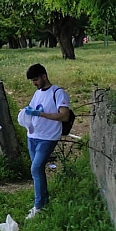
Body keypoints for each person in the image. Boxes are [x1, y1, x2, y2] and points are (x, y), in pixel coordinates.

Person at [23, 64, 71, 219]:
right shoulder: (37, 93)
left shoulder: (58, 93)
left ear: (44, 76)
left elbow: (64, 115)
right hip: (33, 136)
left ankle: (38, 205)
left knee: (36, 168)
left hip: (48, 137)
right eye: (32, 81)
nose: (34, 83)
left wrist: (42, 114)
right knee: (37, 170)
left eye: (36, 79)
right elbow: (31, 109)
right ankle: (43, 201)